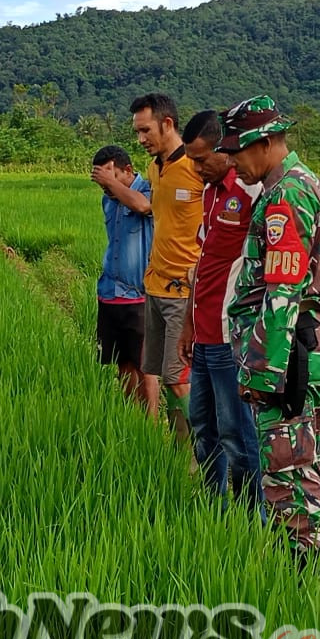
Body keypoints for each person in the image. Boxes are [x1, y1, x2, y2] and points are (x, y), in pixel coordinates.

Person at [217, 95, 320, 554]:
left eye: (237, 151)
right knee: (297, 462)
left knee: (287, 472)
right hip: (296, 345)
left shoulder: (286, 193)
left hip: (288, 351)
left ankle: (303, 572)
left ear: (266, 143)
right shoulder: (291, 184)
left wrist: (265, 374)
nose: (232, 162)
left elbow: (282, 291)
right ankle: (303, 562)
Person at [176, 110, 264, 511]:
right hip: (204, 333)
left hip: (232, 337)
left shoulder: (251, 191)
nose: (195, 168)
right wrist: (188, 327)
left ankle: (253, 519)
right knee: (203, 428)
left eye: (200, 159)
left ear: (225, 151)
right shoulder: (210, 194)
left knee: (238, 433)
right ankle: (213, 507)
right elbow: (203, 262)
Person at [130, 93, 203, 440]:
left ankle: (207, 451)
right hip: (155, 286)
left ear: (168, 124)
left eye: (145, 130)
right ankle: (182, 453)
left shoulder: (195, 167)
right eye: (137, 132)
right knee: (163, 373)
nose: (141, 139)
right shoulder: (154, 168)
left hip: (182, 291)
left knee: (178, 378)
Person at [89, 144, 157, 405]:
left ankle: (150, 429)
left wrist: (113, 185)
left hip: (139, 295)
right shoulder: (109, 199)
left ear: (127, 170)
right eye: (100, 180)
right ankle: (132, 421)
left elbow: (143, 207)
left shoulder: (149, 189)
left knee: (145, 367)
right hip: (110, 293)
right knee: (122, 364)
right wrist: (111, 188)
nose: (105, 186)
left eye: (110, 176)